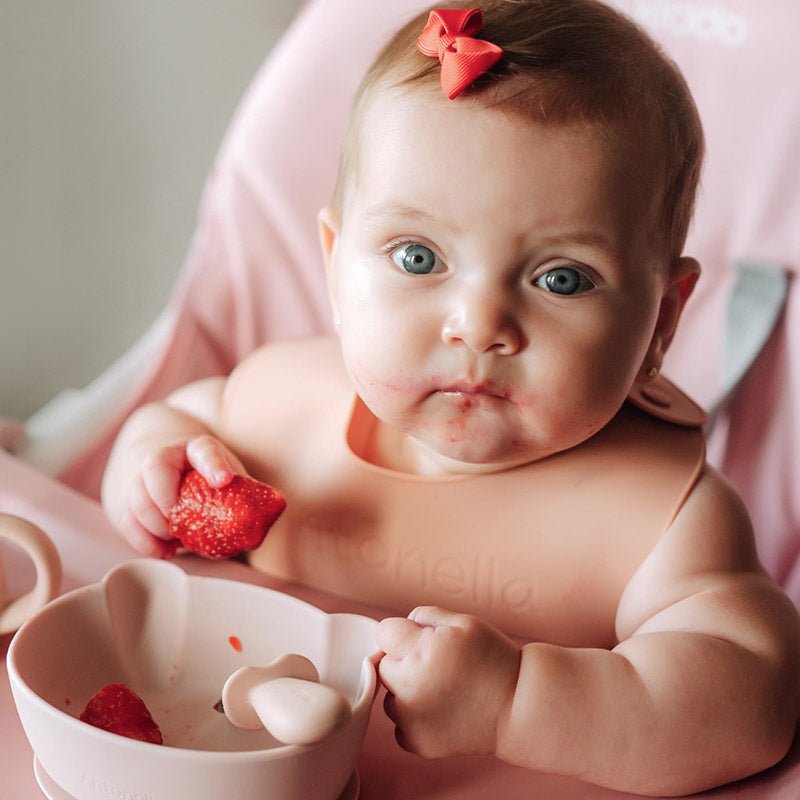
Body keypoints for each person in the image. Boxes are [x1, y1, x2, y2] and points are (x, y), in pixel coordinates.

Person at [101, 1, 800, 794]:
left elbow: (752, 701)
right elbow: (174, 424)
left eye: (560, 278)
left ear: (660, 323)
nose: (479, 325)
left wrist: (516, 702)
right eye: (417, 256)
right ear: (335, 268)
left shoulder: (662, 520)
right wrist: (150, 471)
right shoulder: (280, 408)